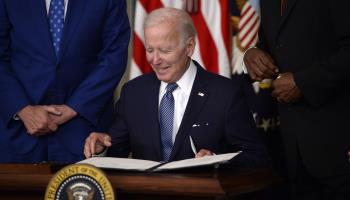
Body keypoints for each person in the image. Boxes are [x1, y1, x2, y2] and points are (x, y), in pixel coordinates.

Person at [84, 7, 269, 168]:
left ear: (189, 47)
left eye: (165, 50)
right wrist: (101, 149)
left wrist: (218, 162)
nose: (155, 60)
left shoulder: (225, 93)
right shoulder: (133, 92)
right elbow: (116, 151)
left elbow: (256, 156)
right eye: (150, 50)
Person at [243, 0, 350, 199]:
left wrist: (303, 83)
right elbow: (276, 43)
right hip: (294, 150)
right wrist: (252, 53)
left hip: (339, 143)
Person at [0, 0, 130, 163]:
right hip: (19, 133)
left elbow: (113, 57)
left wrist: (73, 107)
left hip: (84, 134)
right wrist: (23, 109)